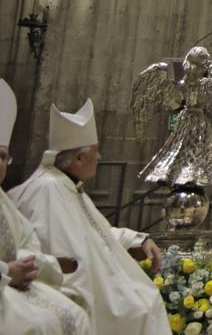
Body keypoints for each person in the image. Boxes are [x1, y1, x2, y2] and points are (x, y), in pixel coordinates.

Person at [10, 97, 166, 334]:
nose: (100, 157)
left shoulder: (67, 185)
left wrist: (137, 239)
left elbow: (94, 231)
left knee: (146, 300)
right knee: (137, 308)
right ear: (79, 158)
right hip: (72, 283)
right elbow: (67, 254)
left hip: (90, 278)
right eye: (95, 150)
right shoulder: (47, 190)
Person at [0, 79, 94, 335]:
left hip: (15, 284)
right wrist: (7, 270)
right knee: (38, 325)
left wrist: (24, 266)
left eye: (2, 156)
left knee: (76, 312)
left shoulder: (3, 200)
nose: (0, 164)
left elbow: (27, 240)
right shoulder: (48, 187)